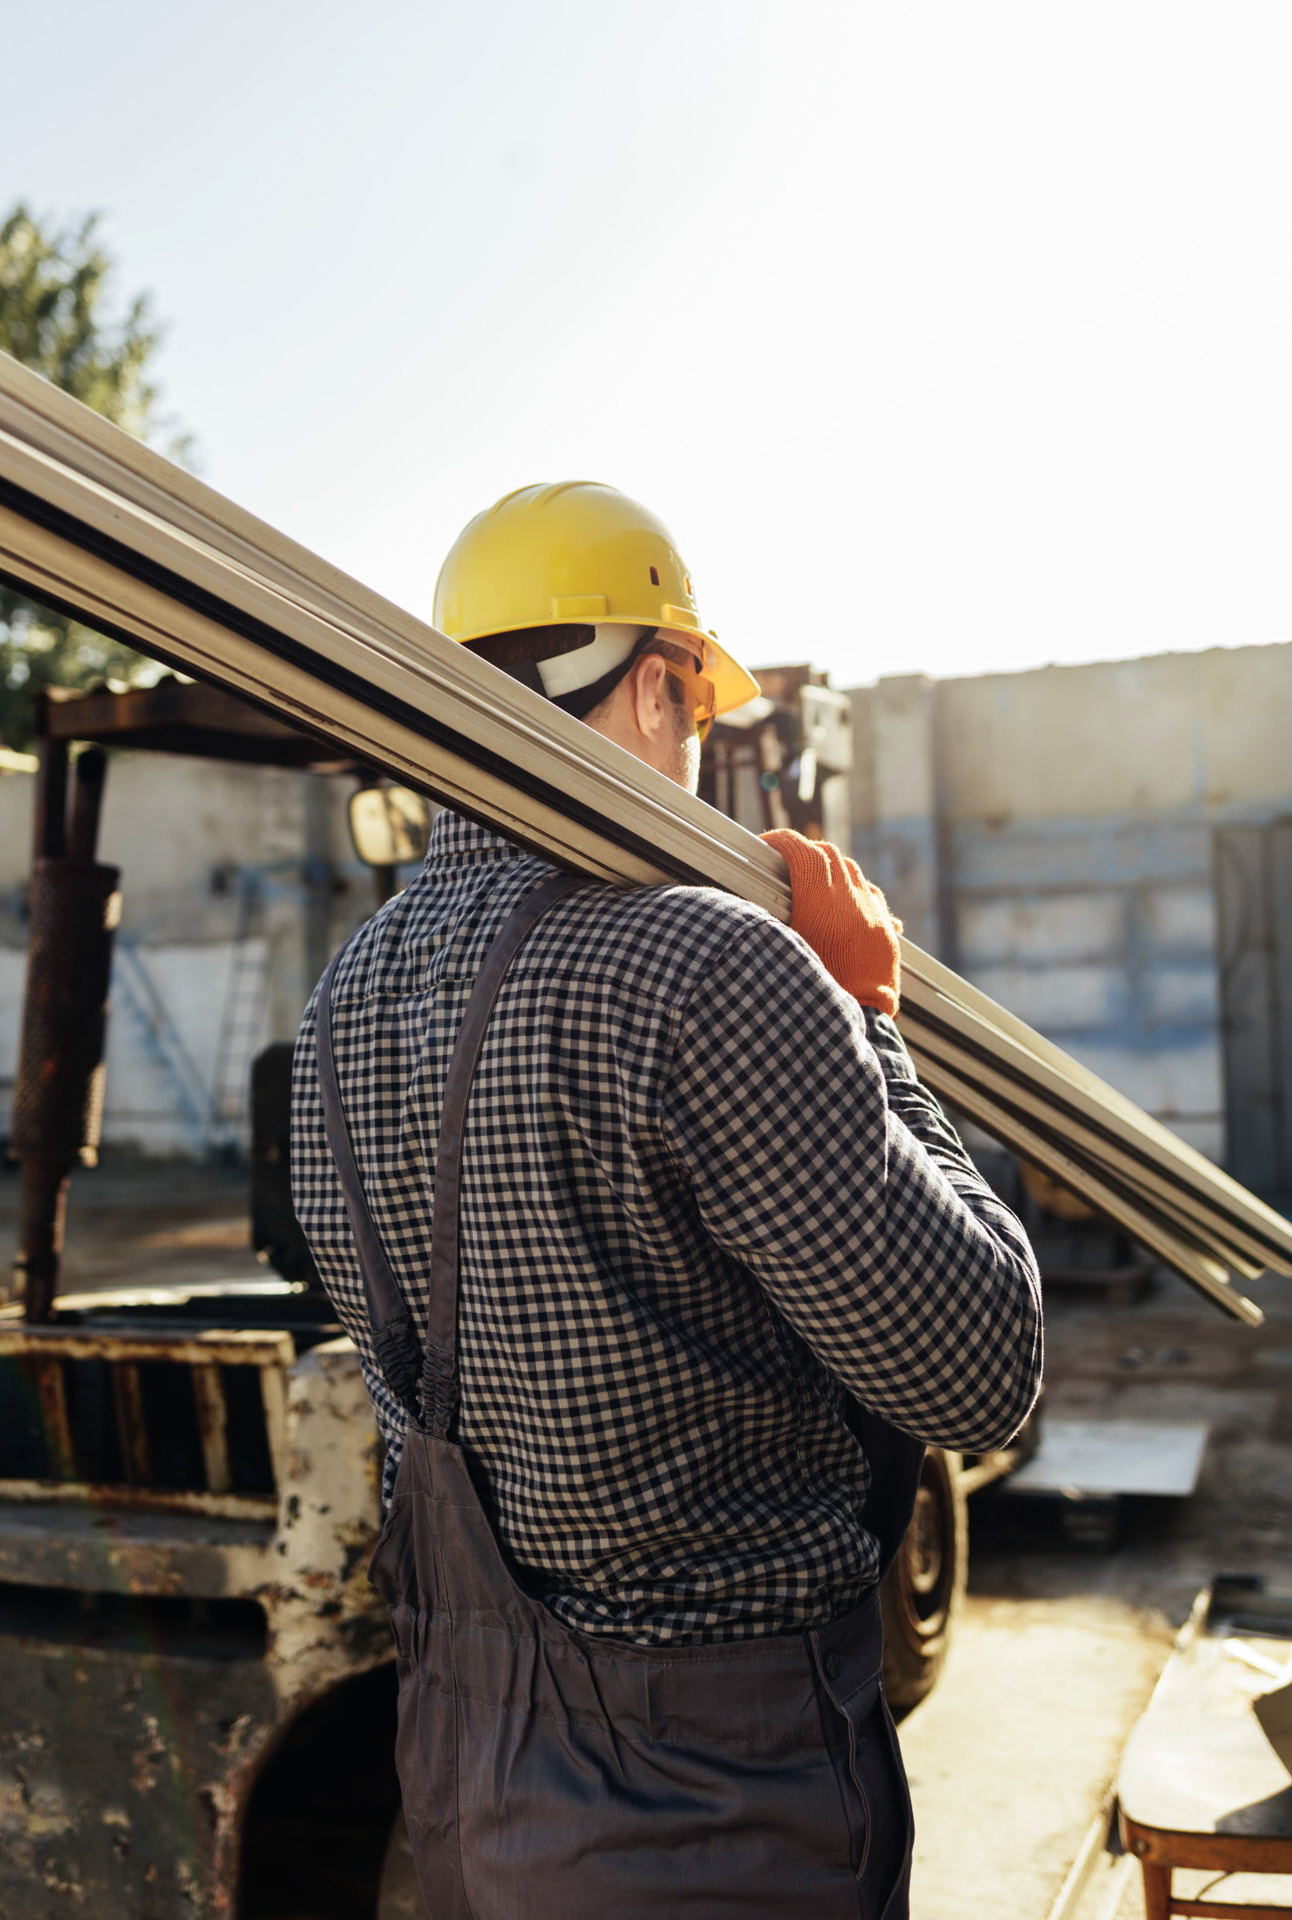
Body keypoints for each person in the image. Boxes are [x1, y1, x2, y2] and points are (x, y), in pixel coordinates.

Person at [290, 480, 1043, 1919]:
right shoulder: (719, 971)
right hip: (718, 1801)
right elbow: (982, 1372)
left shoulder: (342, 1003)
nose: (696, 746)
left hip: (466, 1773)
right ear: (651, 690)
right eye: (694, 704)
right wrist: (867, 1010)